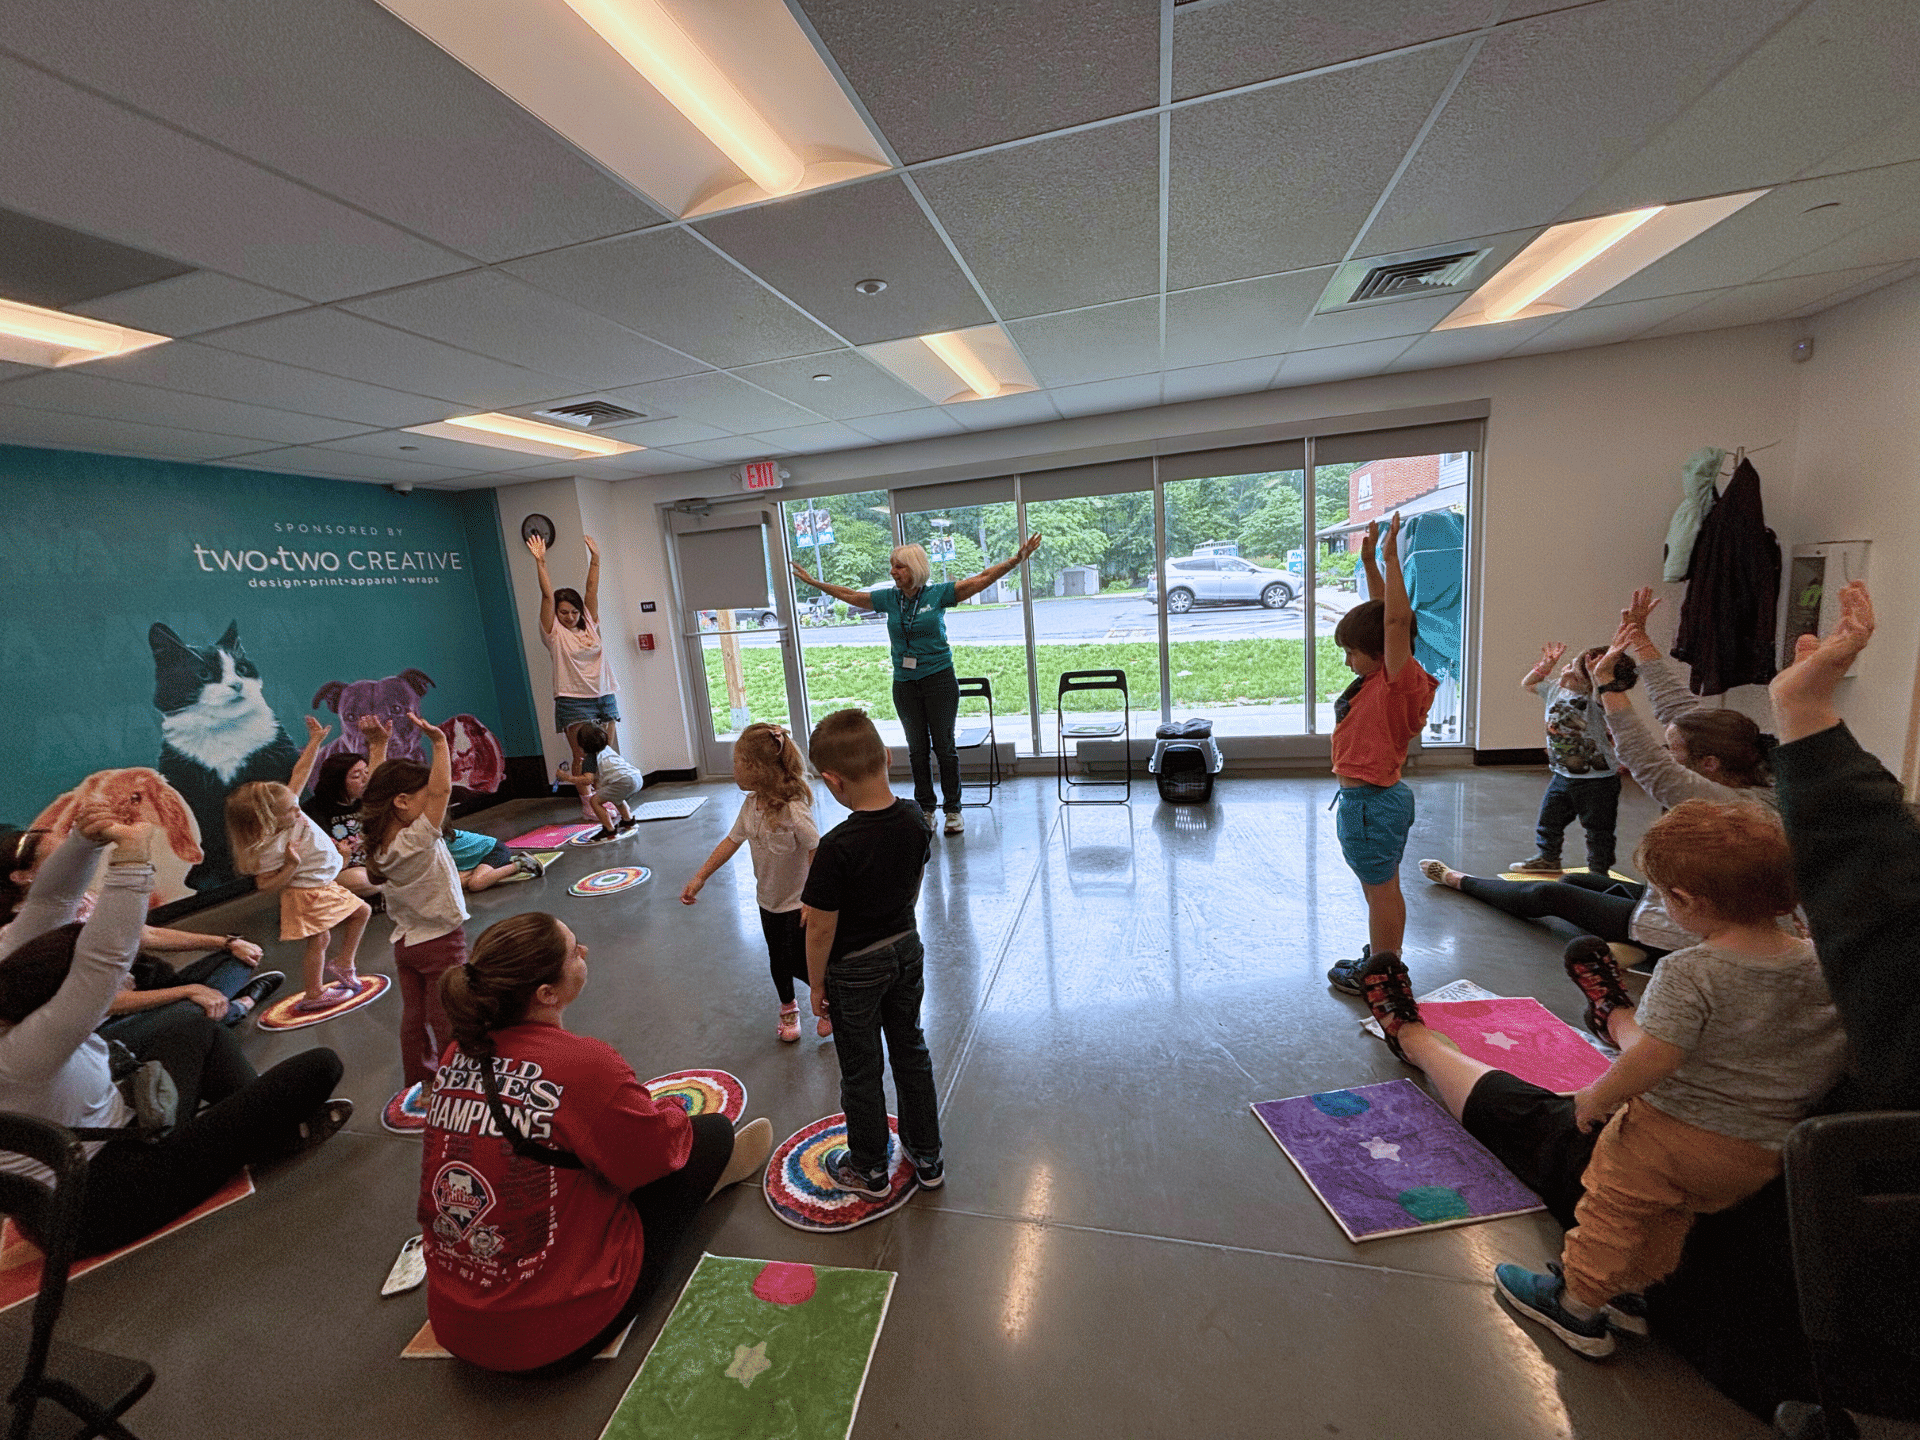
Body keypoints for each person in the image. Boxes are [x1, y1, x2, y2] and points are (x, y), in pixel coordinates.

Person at [1358, 798, 1844, 1358]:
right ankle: (1632, 1292)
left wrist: (1595, 1097)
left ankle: (1576, 1305)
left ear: (1683, 901)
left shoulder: (1691, 972)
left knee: (1610, 1212)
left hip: (1671, 1137)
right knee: (1667, 1219)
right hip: (1760, 1152)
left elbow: (1654, 1060)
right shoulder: (1820, 963)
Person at [420, 911, 772, 1374]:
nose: (584, 951)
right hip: (558, 1332)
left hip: (456, 1318)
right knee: (710, 1134)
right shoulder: (585, 1065)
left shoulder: (457, 1052)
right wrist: (659, 1112)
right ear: (547, 994)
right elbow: (659, 1157)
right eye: (573, 950)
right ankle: (708, 1185)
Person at [0, 805, 349, 1257]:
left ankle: (264, 1130)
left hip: (108, 1146)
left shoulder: (10, 993)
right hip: (106, 1199)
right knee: (320, 1066)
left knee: (195, 1032)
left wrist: (84, 842)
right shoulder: (21, 1048)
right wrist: (132, 855)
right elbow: (104, 959)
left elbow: (48, 906)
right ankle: (266, 1131)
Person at [1420, 586, 1777, 960]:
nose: (1666, 753)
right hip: (1690, 904)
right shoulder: (1741, 770)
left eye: (1674, 751)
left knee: (1549, 894)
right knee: (1575, 881)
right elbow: (1677, 707)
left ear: (1709, 765)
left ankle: (1458, 880)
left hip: (1689, 928)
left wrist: (1606, 682)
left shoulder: (1734, 806)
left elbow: (1644, 759)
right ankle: (1635, 946)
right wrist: (1640, 640)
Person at [792, 533, 1043, 836]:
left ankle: (953, 809)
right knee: (917, 749)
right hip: (905, 684)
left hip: (939, 680)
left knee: (945, 747)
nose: (892, 572)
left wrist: (1016, 560)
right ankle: (926, 808)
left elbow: (983, 578)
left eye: (899, 567)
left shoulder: (938, 595)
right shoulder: (889, 598)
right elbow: (852, 595)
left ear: (914, 568)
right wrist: (814, 583)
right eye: (892, 567)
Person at [800, 709, 942, 1199]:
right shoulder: (915, 821)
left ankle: (869, 1169)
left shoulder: (835, 848)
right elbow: (911, 886)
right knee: (911, 1050)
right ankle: (927, 1155)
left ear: (832, 782)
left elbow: (820, 928)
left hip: (853, 971)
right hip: (906, 950)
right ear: (886, 757)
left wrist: (817, 983)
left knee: (861, 1069)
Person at [1324, 515, 1438, 995]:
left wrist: (1393, 558)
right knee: (1382, 888)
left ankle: (1386, 971)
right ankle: (1384, 952)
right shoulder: (1383, 677)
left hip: (1371, 804)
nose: (1348, 659)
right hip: (1371, 800)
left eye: (1352, 651)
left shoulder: (1398, 680)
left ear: (1382, 651)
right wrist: (1370, 563)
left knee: (1381, 891)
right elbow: (1382, 614)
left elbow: (1393, 620)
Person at [680, 723, 821, 1042]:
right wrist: (701, 876)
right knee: (778, 958)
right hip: (767, 901)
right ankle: (788, 1008)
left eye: (737, 763)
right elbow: (731, 841)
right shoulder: (750, 806)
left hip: (799, 903)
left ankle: (826, 1000)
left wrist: (813, 897)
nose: (733, 769)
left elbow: (816, 848)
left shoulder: (792, 807)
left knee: (802, 960)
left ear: (756, 769)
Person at [362, 714, 468, 1131]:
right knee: (448, 1016)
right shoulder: (416, 839)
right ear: (404, 803)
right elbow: (440, 788)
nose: (435, 804)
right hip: (441, 940)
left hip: (406, 943)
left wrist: (377, 749)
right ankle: (459, 1080)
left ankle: (424, 1083)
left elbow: (380, 792)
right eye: (424, 798)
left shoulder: (383, 842)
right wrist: (439, 744)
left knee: (414, 1017)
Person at [227, 780, 372, 1015]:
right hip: (307, 893)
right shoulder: (270, 847)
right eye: (291, 810)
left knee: (328, 935)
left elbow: (300, 775)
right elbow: (265, 885)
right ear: (267, 819)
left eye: (297, 806)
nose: (299, 811)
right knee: (337, 928)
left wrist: (314, 743)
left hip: (322, 884)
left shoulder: (291, 815)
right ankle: (316, 991)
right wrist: (291, 866)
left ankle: (341, 967)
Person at [1509, 642, 1638, 875]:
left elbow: (1606, 692)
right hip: (1562, 774)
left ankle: (1599, 871)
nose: (1564, 669)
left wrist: (1598, 673)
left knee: (1598, 828)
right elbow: (1528, 683)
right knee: (1549, 821)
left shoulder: (1596, 701)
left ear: (1588, 679)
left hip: (1598, 780)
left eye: (1571, 669)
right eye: (1565, 666)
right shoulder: (1554, 691)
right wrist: (1546, 665)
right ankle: (1548, 858)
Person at [528, 532, 618, 782]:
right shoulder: (554, 632)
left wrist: (596, 559)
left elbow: (591, 590)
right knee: (580, 754)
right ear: (557, 614)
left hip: (603, 693)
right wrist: (540, 562)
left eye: (574, 612)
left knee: (604, 754)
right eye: (564, 612)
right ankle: (588, 803)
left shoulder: (589, 624)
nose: (570, 617)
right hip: (573, 697)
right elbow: (547, 595)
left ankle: (605, 796)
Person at [301, 713, 399, 901]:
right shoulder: (313, 812)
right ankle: (396, 888)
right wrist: (341, 857)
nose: (365, 779)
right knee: (361, 880)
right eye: (356, 776)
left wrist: (379, 744)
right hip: (345, 870)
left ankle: (391, 889)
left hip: (376, 864)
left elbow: (379, 780)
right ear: (338, 783)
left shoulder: (366, 799)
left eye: (367, 772)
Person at [565, 722, 642, 844]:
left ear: (582, 744)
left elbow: (587, 780)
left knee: (594, 801)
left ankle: (609, 830)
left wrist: (567, 778)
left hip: (623, 781)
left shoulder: (591, 758)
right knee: (616, 796)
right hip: (636, 777)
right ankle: (629, 821)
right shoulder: (607, 749)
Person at [443, 826, 544, 891]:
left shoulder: (439, 841)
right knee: (455, 883)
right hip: (478, 859)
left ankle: (521, 863)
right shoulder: (438, 837)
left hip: (494, 851)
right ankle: (490, 871)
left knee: (476, 884)